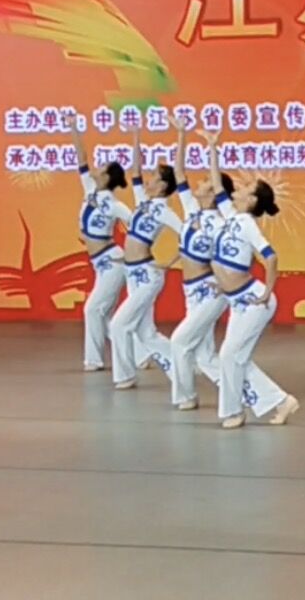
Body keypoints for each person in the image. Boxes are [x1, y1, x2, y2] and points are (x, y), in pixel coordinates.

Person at [167, 123, 285, 412]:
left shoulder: (226, 220)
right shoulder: (195, 210)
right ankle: (263, 397)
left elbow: (259, 256)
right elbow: (179, 174)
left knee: (181, 342)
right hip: (194, 290)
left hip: (212, 292)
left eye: (207, 182)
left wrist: (261, 288)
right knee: (207, 355)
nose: (200, 184)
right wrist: (186, 137)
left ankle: (187, 397)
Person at [211, 139, 299, 430]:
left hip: (253, 301)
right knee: (238, 358)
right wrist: (212, 147)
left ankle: (234, 412)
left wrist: (267, 292)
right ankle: (281, 401)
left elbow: (271, 257)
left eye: (246, 188)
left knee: (229, 355)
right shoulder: (230, 216)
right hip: (238, 301)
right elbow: (218, 184)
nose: (238, 187)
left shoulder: (246, 223)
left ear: (251, 201)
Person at [108, 125, 183, 390]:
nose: (148, 179)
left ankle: (124, 376)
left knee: (118, 324)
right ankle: (182, 364)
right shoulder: (143, 202)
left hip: (147, 274)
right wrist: (136, 137)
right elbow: (135, 172)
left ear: (163, 185)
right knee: (145, 332)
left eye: (155, 176)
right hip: (133, 271)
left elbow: (187, 235)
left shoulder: (164, 210)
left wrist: (169, 263)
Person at [71, 123, 130, 372]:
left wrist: (133, 256)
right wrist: (74, 129)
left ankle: (93, 360)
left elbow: (137, 225)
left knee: (93, 309)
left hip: (111, 261)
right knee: (104, 317)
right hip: (100, 263)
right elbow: (81, 157)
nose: (96, 167)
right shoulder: (90, 189)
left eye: (102, 167)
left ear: (106, 177)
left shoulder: (115, 205)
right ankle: (140, 355)